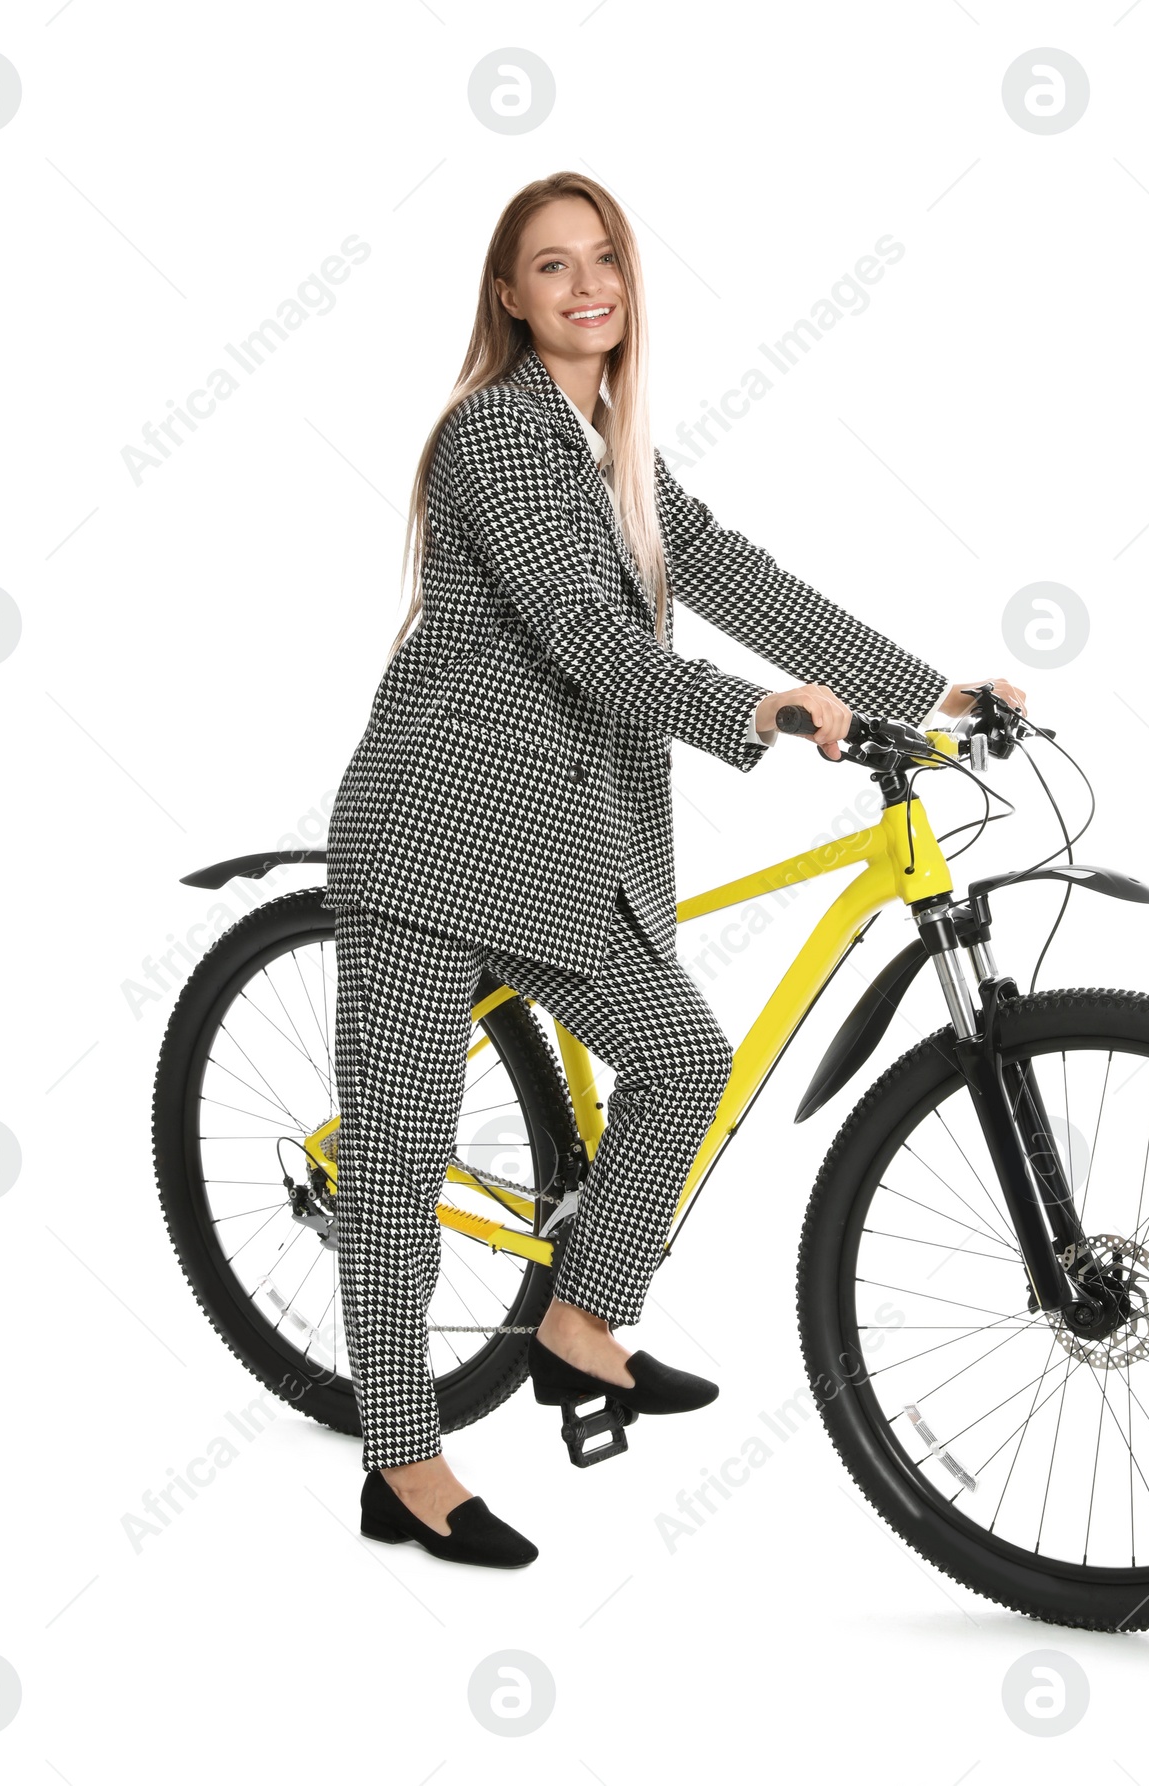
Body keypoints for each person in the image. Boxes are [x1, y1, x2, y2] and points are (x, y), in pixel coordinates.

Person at [323, 170, 1027, 1568]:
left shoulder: (608, 446)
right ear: (510, 296)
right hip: (437, 826)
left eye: (606, 261)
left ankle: (578, 1325)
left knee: (684, 1065)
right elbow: (590, 636)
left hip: (561, 842)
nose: (587, 285)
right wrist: (750, 711)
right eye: (551, 265)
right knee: (398, 1162)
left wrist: (925, 689)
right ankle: (400, 1458)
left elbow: (722, 566)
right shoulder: (498, 442)